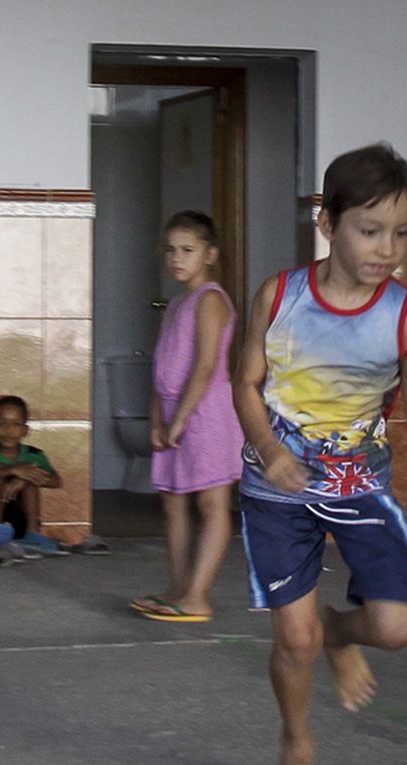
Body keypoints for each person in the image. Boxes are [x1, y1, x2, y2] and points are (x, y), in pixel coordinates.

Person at [232, 142, 407, 765]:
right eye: (370, 231)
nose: (387, 249)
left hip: (358, 484)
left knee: (396, 628)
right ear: (328, 223)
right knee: (294, 641)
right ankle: (296, 738)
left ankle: (339, 633)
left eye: (401, 233)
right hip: (277, 488)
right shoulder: (279, 297)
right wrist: (269, 448)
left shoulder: (406, 317)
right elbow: (245, 384)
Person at [132, 212, 244, 622]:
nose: (177, 258)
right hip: (173, 410)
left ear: (210, 254)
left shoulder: (211, 299)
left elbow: (205, 365)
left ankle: (198, 595)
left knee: (212, 503)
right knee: (173, 501)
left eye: (187, 250)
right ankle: (178, 588)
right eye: (171, 250)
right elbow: (163, 364)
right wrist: (156, 417)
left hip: (205, 412)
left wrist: (181, 417)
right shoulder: (176, 303)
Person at [0, 395, 62, 565]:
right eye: (1, 423)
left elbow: (56, 481)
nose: (8, 430)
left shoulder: (34, 455)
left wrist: (24, 479)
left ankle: (32, 534)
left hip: (21, 523)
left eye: (16, 424)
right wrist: (12, 470)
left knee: (31, 477)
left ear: (25, 430)